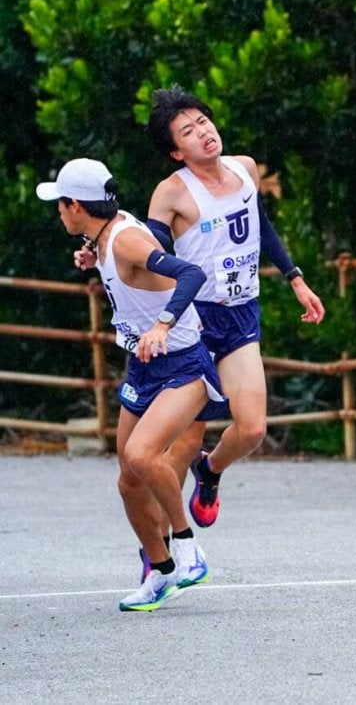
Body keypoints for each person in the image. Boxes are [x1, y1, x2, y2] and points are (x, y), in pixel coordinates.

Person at [39, 158, 224, 611]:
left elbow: (190, 274)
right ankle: (160, 572)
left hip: (183, 364)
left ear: (76, 205)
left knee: (143, 455)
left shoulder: (125, 241)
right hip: (145, 368)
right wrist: (90, 255)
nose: (58, 213)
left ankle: (187, 548)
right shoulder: (103, 238)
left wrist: (161, 326)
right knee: (128, 480)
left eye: (60, 205)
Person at [143, 86, 325, 536]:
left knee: (252, 430)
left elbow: (260, 224)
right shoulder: (170, 194)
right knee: (185, 441)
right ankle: (166, 548)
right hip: (197, 321)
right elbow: (147, 252)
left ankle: (211, 472)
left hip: (241, 312)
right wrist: (96, 251)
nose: (203, 132)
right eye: (188, 131)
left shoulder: (245, 169)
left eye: (203, 121)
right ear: (174, 151)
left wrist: (295, 277)